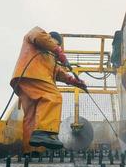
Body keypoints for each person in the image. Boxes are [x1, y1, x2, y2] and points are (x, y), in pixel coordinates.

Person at [10, 26, 86, 154]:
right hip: (33, 74)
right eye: (56, 44)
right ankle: (45, 132)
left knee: (31, 115)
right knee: (53, 96)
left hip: (24, 81)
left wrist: (75, 82)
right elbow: (38, 35)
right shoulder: (37, 35)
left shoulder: (51, 58)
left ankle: (32, 150)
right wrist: (58, 51)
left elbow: (58, 73)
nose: (57, 48)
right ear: (50, 39)